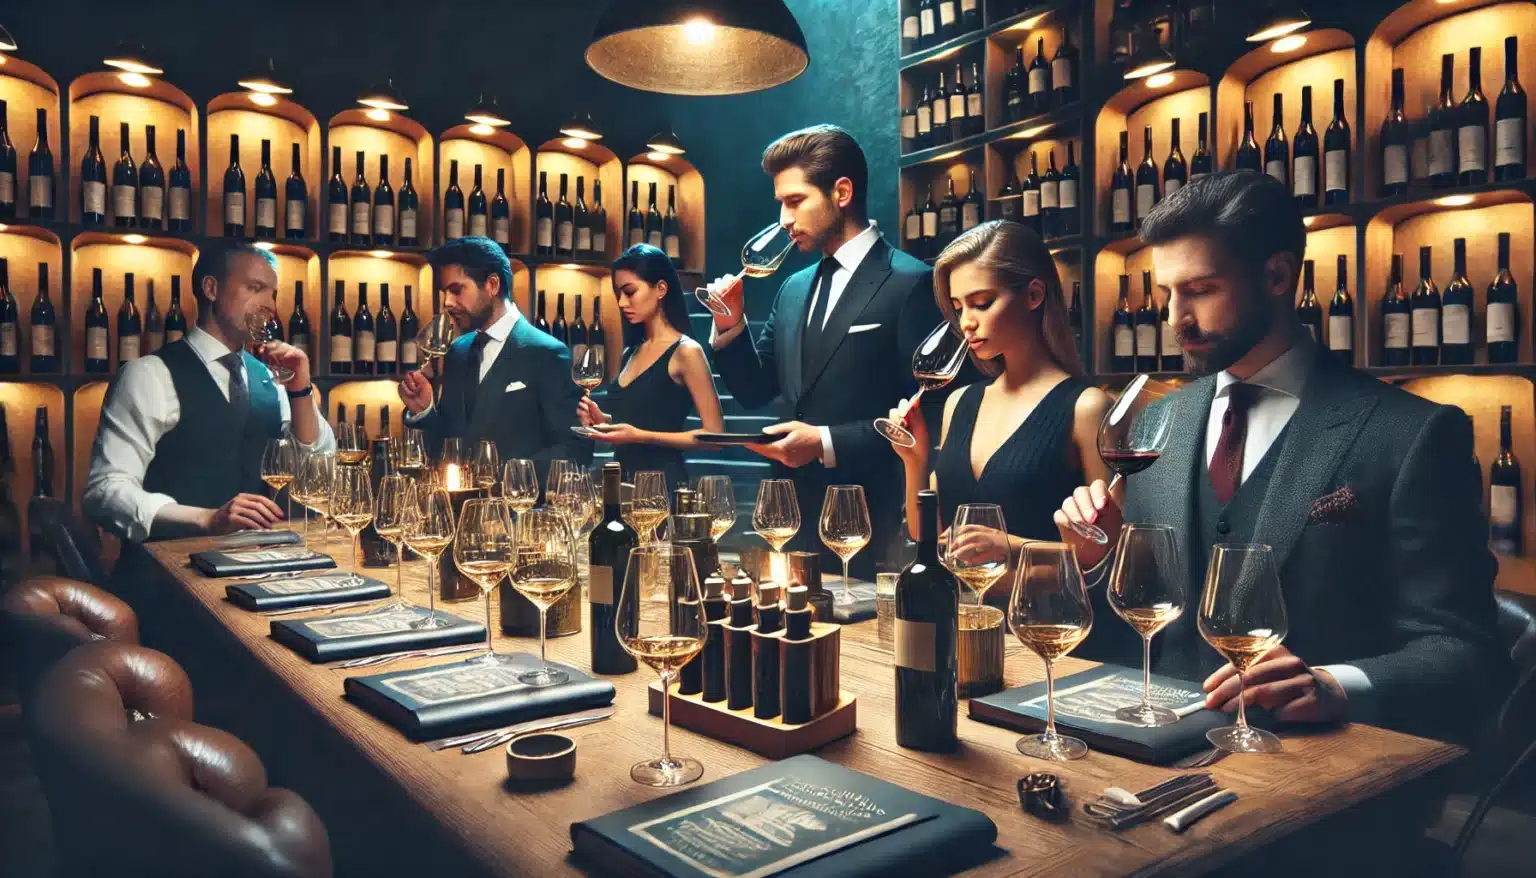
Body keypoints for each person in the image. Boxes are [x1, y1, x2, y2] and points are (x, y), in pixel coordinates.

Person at [1054, 171, 1509, 743]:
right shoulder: (1152, 427)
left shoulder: (1413, 434)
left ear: (1276, 275)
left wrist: (1337, 686)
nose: (1174, 319)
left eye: (1199, 291)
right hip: (1155, 769)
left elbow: (1469, 654)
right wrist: (1097, 559)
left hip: (1323, 785)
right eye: (1167, 294)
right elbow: (1136, 639)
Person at [706, 124, 948, 579]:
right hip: (790, 527)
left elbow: (932, 414)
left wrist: (825, 442)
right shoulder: (792, 289)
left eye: (795, 201)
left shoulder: (913, 282)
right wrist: (730, 324)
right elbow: (755, 391)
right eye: (780, 202)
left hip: (875, 529)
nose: (783, 218)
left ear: (841, 192)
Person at [888, 221, 1109, 601]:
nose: (966, 323)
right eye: (958, 308)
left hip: (1049, 630)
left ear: (1034, 295)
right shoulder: (961, 402)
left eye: (981, 303)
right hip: (966, 625)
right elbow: (929, 537)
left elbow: (1108, 557)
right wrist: (914, 462)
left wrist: (1014, 547)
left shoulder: (1086, 407)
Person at [84, 241, 333, 541]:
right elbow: (104, 492)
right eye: (255, 288)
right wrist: (206, 518)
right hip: (170, 576)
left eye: (273, 294)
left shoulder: (270, 378)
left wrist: (300, 390)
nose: (270, 305)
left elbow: (315, 474)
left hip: (256, 570)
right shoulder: (148, 375)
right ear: (211, 288)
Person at [397, 237, 588, 484]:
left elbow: (574, 451)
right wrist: (424, 411)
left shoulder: (547, 353)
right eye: (445, 293)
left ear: (492, 285)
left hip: (519, 515)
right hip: (460, 513)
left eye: (456, 290)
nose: (447, 302)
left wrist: (506, 480)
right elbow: (446, 445)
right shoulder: (457, 352)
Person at [576, 244, 725, 490]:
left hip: (662, 487)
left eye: (630, 291)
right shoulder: (630, 352)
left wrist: (639, 436)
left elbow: (715, 436)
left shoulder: (686, 351)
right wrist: (604, 422)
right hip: (621, 485)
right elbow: (640, 419)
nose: (622, 302)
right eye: (619, 294)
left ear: (661, 289)